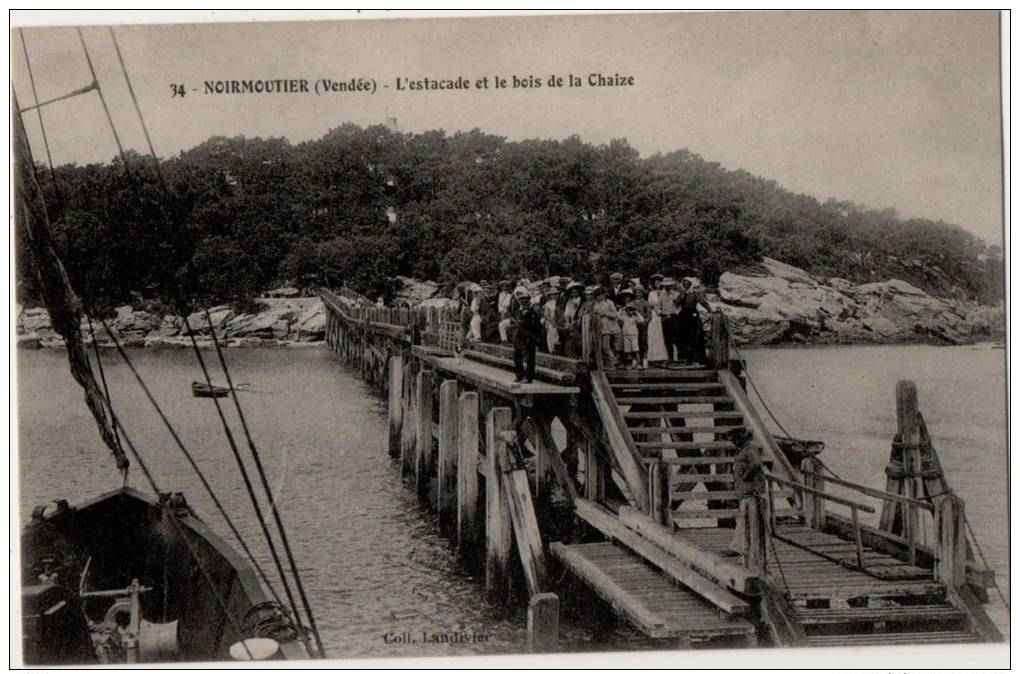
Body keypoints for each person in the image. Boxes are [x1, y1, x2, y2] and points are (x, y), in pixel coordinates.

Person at [728, 427, 768, 566]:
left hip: (751, 492)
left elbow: (756, 463)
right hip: (746, 491)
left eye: (733, 439)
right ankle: (738, 546)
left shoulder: (749, 449)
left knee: (747, 520)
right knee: (743, 519)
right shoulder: (744, 449)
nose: (732, 442)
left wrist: (746, 475)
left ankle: (741, 548)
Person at [677, 278, 713, 361]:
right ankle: (684, 356)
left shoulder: (695, 293)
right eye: (684, 284)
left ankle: (695, 356)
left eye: (687, 284)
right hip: (683, 315)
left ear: (690, 284)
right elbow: (676, 303)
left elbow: (703, 302)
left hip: (692, 314)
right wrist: (681, 297)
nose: (686, 285)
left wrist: (710, 310)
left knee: (694, 335)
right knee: (683, 335)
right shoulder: (682, 293)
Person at [513, 291, 544, 383]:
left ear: (528, 302)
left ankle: (529, 377)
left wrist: (535, 338)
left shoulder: (533, 314)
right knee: (517, 357)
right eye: (522, 301)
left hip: (529, 338)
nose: (523, 303)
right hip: (519, 338)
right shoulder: (518, 312)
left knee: (530, 358)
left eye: (525, 301)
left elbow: (538, 328)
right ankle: (519, 375)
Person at [592, 286, 620, 369]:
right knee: (601, 347)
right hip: (599, 328)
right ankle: (607, 364)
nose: (599, 297)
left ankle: (613, 362)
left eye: (600, 295)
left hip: (608, 328)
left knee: (606, 347)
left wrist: (604, 313)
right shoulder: (595, 304)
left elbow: (615, 315)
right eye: (597, 296)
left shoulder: (609, 303)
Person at [617, 290, 645, 369]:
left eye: (631, 310)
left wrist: (636, 313)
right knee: (627, 351)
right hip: (626, 334)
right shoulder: (624, 316)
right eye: (628, 310)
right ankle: (630, 364)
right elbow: (618, 316)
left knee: (636, 349)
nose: (630, 311)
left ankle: (639, 364)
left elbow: (641, 320)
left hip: (634, 334)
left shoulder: (635, 316)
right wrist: (622, 309)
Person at [646, 275, 669, 364]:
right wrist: (654, 306)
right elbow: (649, 304)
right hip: (654, 315)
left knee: (662, 334)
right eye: (656, 283)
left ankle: (664, 356)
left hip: (663, 314)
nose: (657, 284)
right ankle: (654, 357)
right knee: (654, 334)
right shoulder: (651, 293)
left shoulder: (664, 292)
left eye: (659, 282)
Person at [658, 277, 682, 361]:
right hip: (664, 318)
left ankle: (680, 357)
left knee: (676, 338)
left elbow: (680, 307)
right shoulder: (661, 294)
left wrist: (675, 312)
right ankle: (670, 358)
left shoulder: (677, 294)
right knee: (667, 338)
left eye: (669, 285)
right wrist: (661, 313)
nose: (667, 287)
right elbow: (658, 307)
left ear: (672, 286)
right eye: (665, 286)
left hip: (674, 318)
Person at [561, 281, 584, 358]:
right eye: (572, 292)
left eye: (576, 292)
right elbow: (566, 314)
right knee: (571, 339)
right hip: (571, 323)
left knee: (580, 340)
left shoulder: (582, 301)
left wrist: (576, 321)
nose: (574, 294)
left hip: (580, 322)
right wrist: (568, 322)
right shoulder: (569, 302)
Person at [631, 283, 651, 369]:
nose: (638, 294)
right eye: (636, 292)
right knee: (634, 343)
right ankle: (635, 360)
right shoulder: (632, 303)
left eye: (640, 292)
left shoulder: (646, 303)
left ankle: (645, 360)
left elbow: (649, 315)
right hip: (633, 326)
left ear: (643, 293)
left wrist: (645, 322)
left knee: (643, 342)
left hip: (643, 326)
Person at [542, 287, 562, 354]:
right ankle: (552, 351)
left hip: (559, 321)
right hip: (551, 322)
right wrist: (552, 321)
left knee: (559, 337)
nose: (554, 296)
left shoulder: (560, 303)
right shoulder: (548, 304)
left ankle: (558, 352)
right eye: (553, 294)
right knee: (552, 336)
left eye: (556, 294)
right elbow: (546, 315)